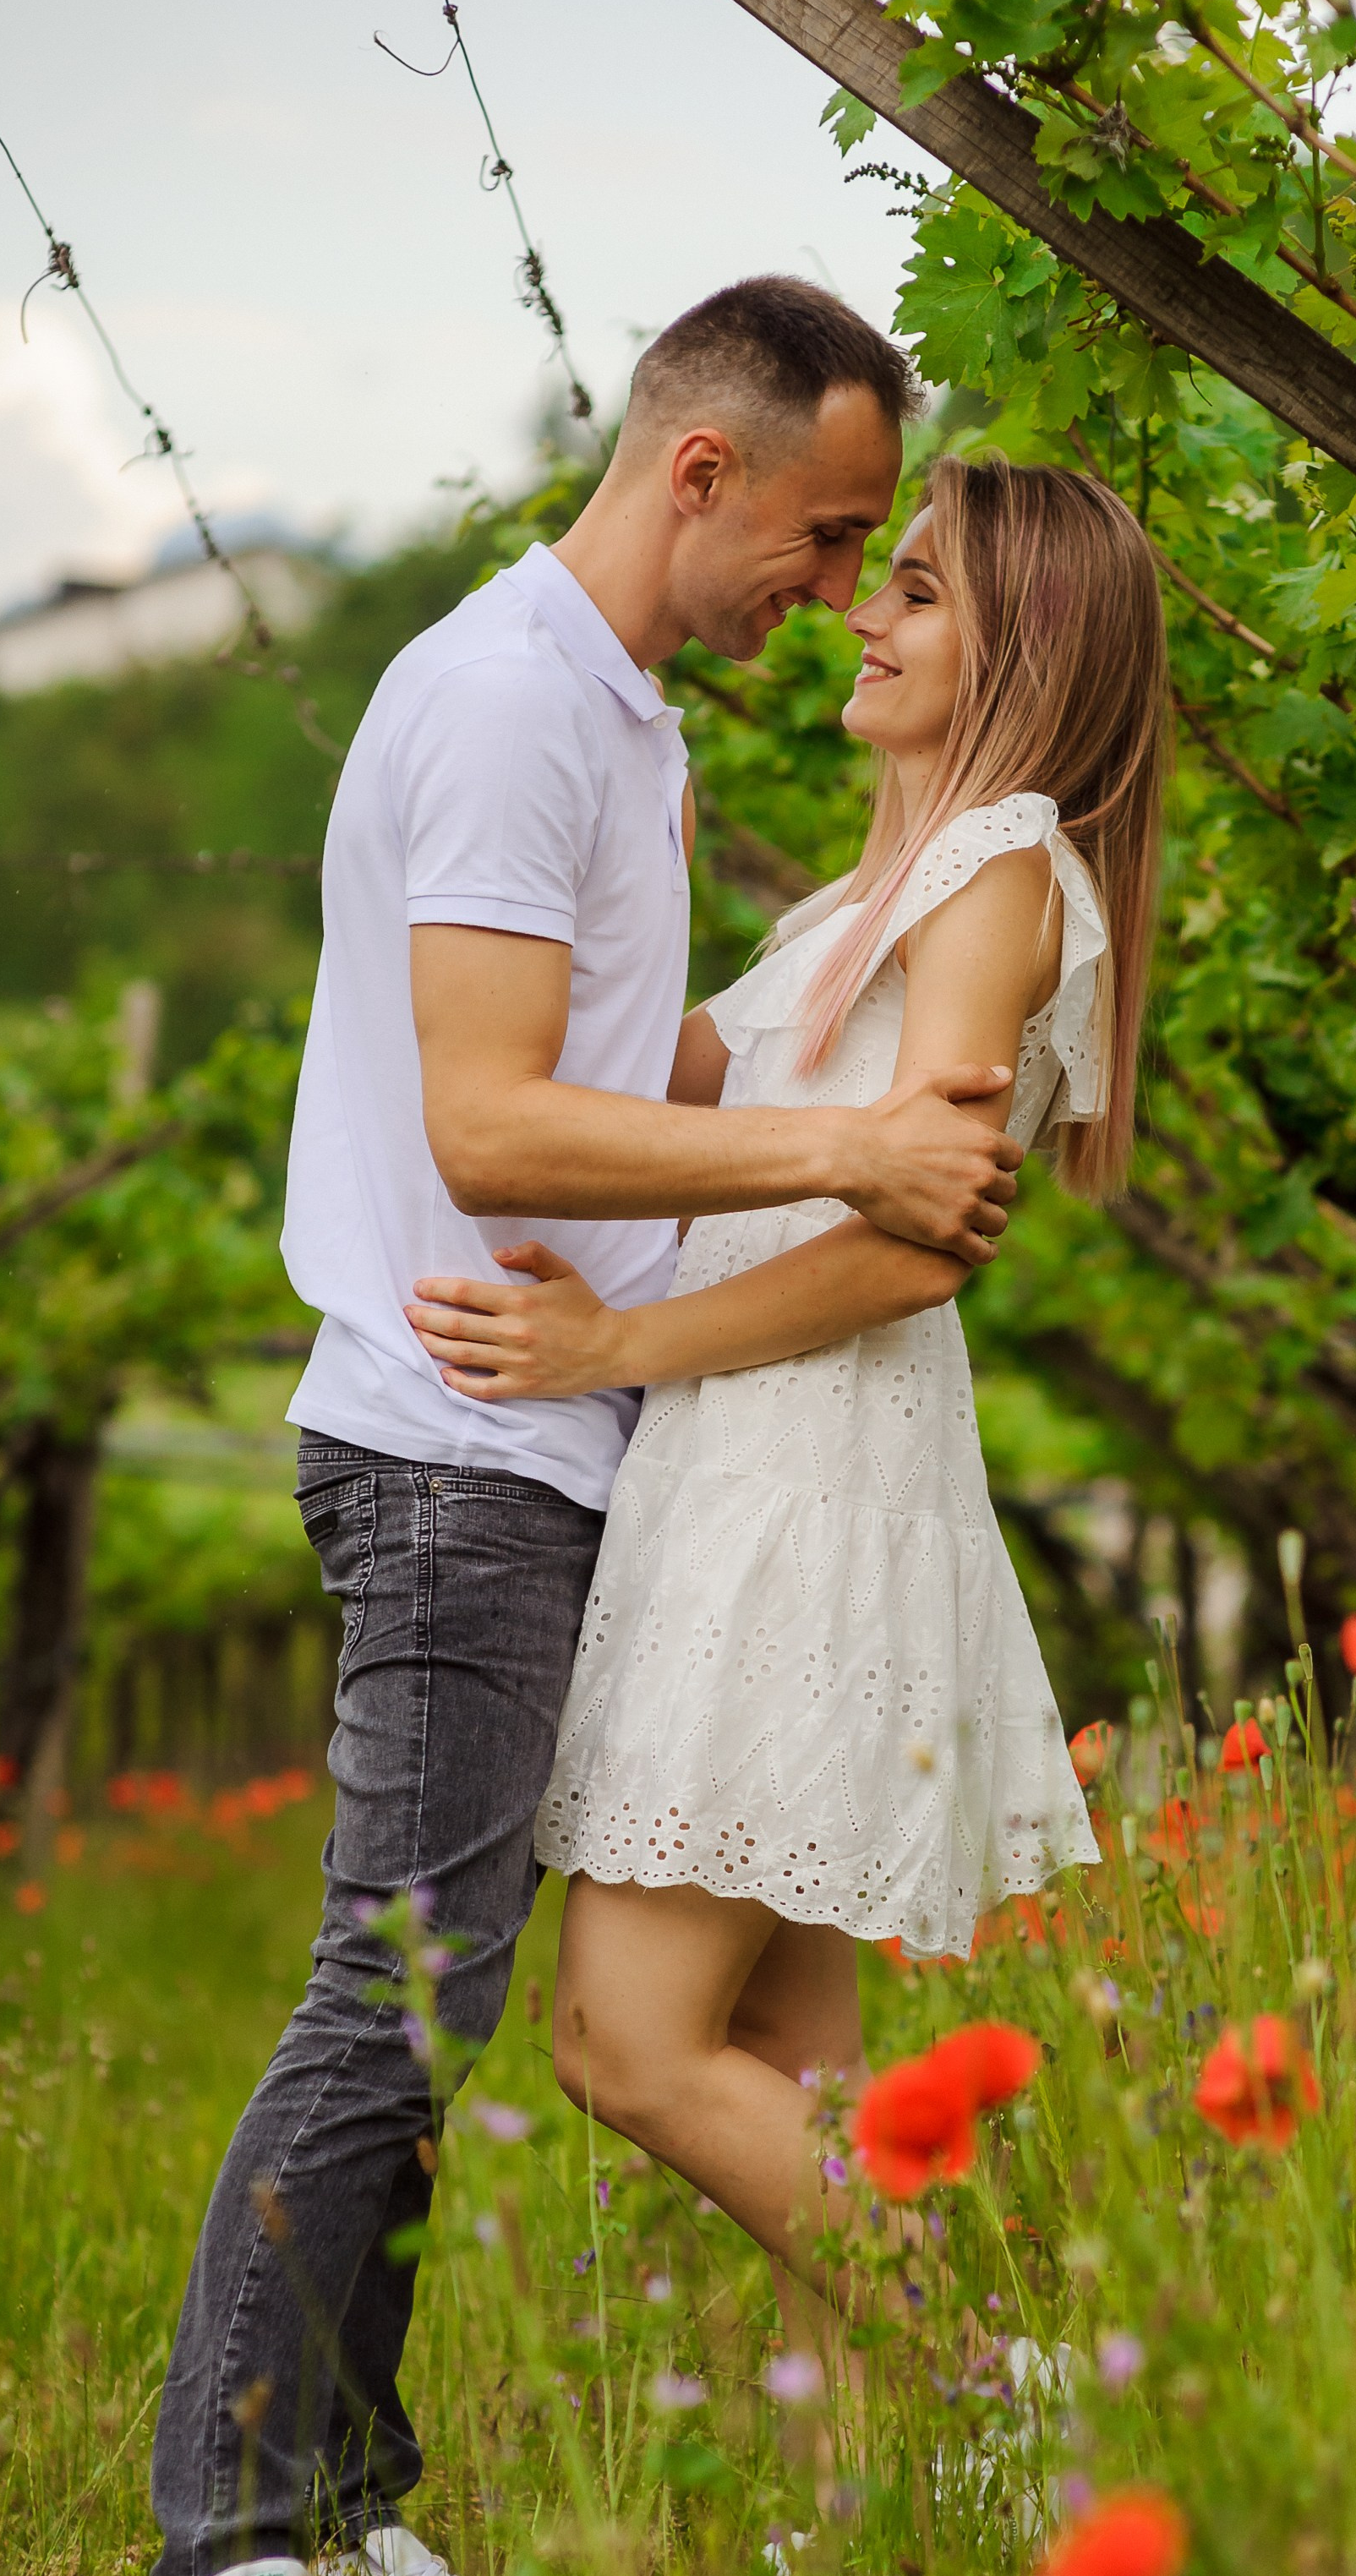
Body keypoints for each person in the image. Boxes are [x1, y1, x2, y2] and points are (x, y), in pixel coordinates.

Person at [133, 278, 1026, 2576]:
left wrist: (797, 1044)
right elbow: (494, 1122)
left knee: (436, 2004)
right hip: (457, 1441)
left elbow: (617, 1062)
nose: (829, 593)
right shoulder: (522, 702)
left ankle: (345, 2505)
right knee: (387, 1996)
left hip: (533, 1442)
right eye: (827, 534)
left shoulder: (610, 725)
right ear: (699, 469)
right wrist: (840, 1135)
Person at [402, 451, 1167, 2377]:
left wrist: (609, 1354)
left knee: (628, 2045)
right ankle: (887, 2522)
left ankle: (1024, 2377)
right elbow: (643, 1091)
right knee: (794, 2073)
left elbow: (922, 1246)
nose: (863, 609)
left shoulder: (998, 867)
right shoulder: (871, 893)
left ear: (1027, 642)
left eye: (914, 587)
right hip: (758, 1471)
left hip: (807, 1480)